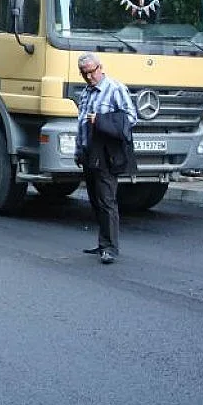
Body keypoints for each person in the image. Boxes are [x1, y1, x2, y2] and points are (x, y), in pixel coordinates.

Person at [74, 52, 137, 264]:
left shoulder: (115, 89)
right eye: (84, 73)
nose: (89, 76)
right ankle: (102, 243)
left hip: (107, 154)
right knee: (95, 199)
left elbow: (130, 118)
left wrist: (100, 120)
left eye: (92, 71)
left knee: (107, 199)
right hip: (90, 153)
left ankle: (110, 247)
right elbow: (81, 125)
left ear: (100, 67)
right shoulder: (86, 93)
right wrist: (78, 151)